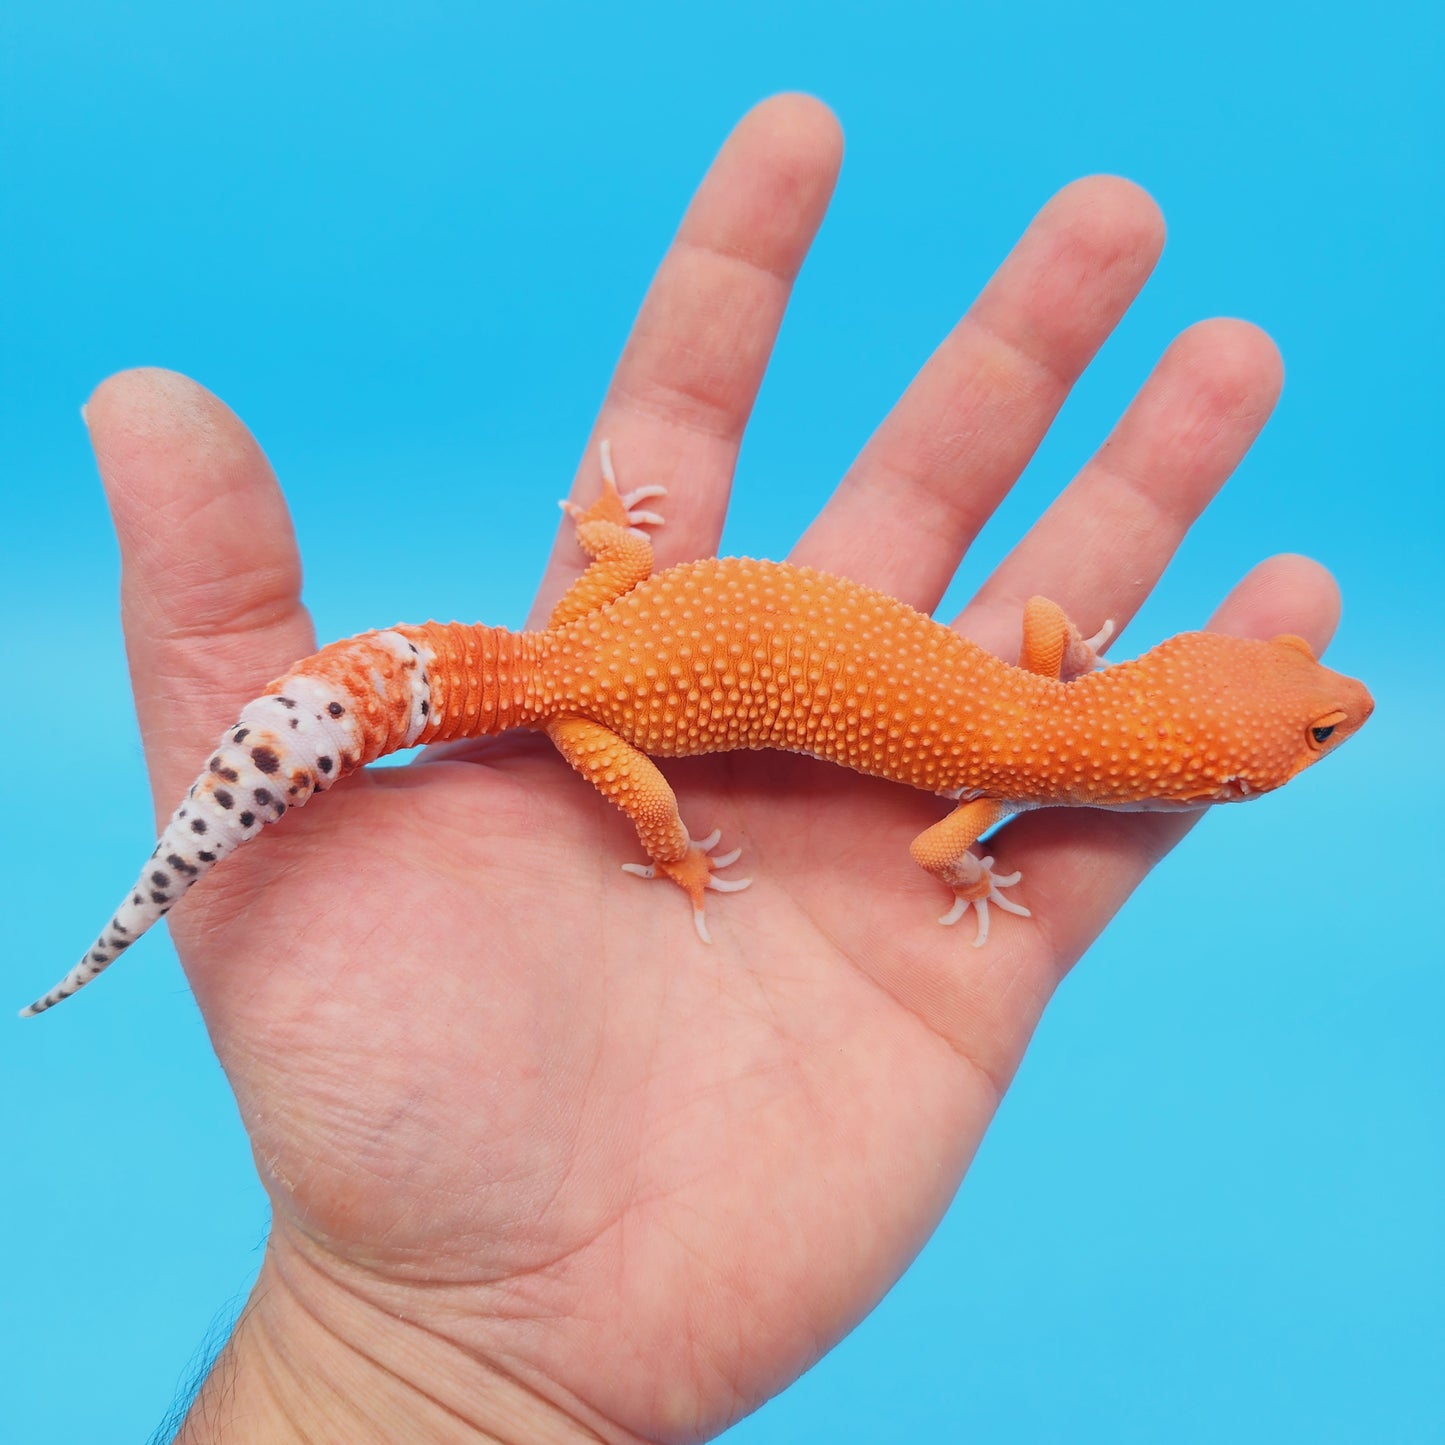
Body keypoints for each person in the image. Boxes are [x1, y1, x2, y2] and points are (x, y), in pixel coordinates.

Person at [90, 95, 1337, 1442]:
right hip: (594, 710)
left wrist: (612, 542)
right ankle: (656, 844)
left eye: (1302, 718)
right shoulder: (1008, 763)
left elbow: (1036, 651)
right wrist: (752, 857)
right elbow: (932, 847)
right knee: (660, 815)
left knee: (585, 697)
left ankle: (497, 710)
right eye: (1311, 725)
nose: (1336, 709)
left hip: (604, 624)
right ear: (1202, 775)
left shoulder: (1033, 691)